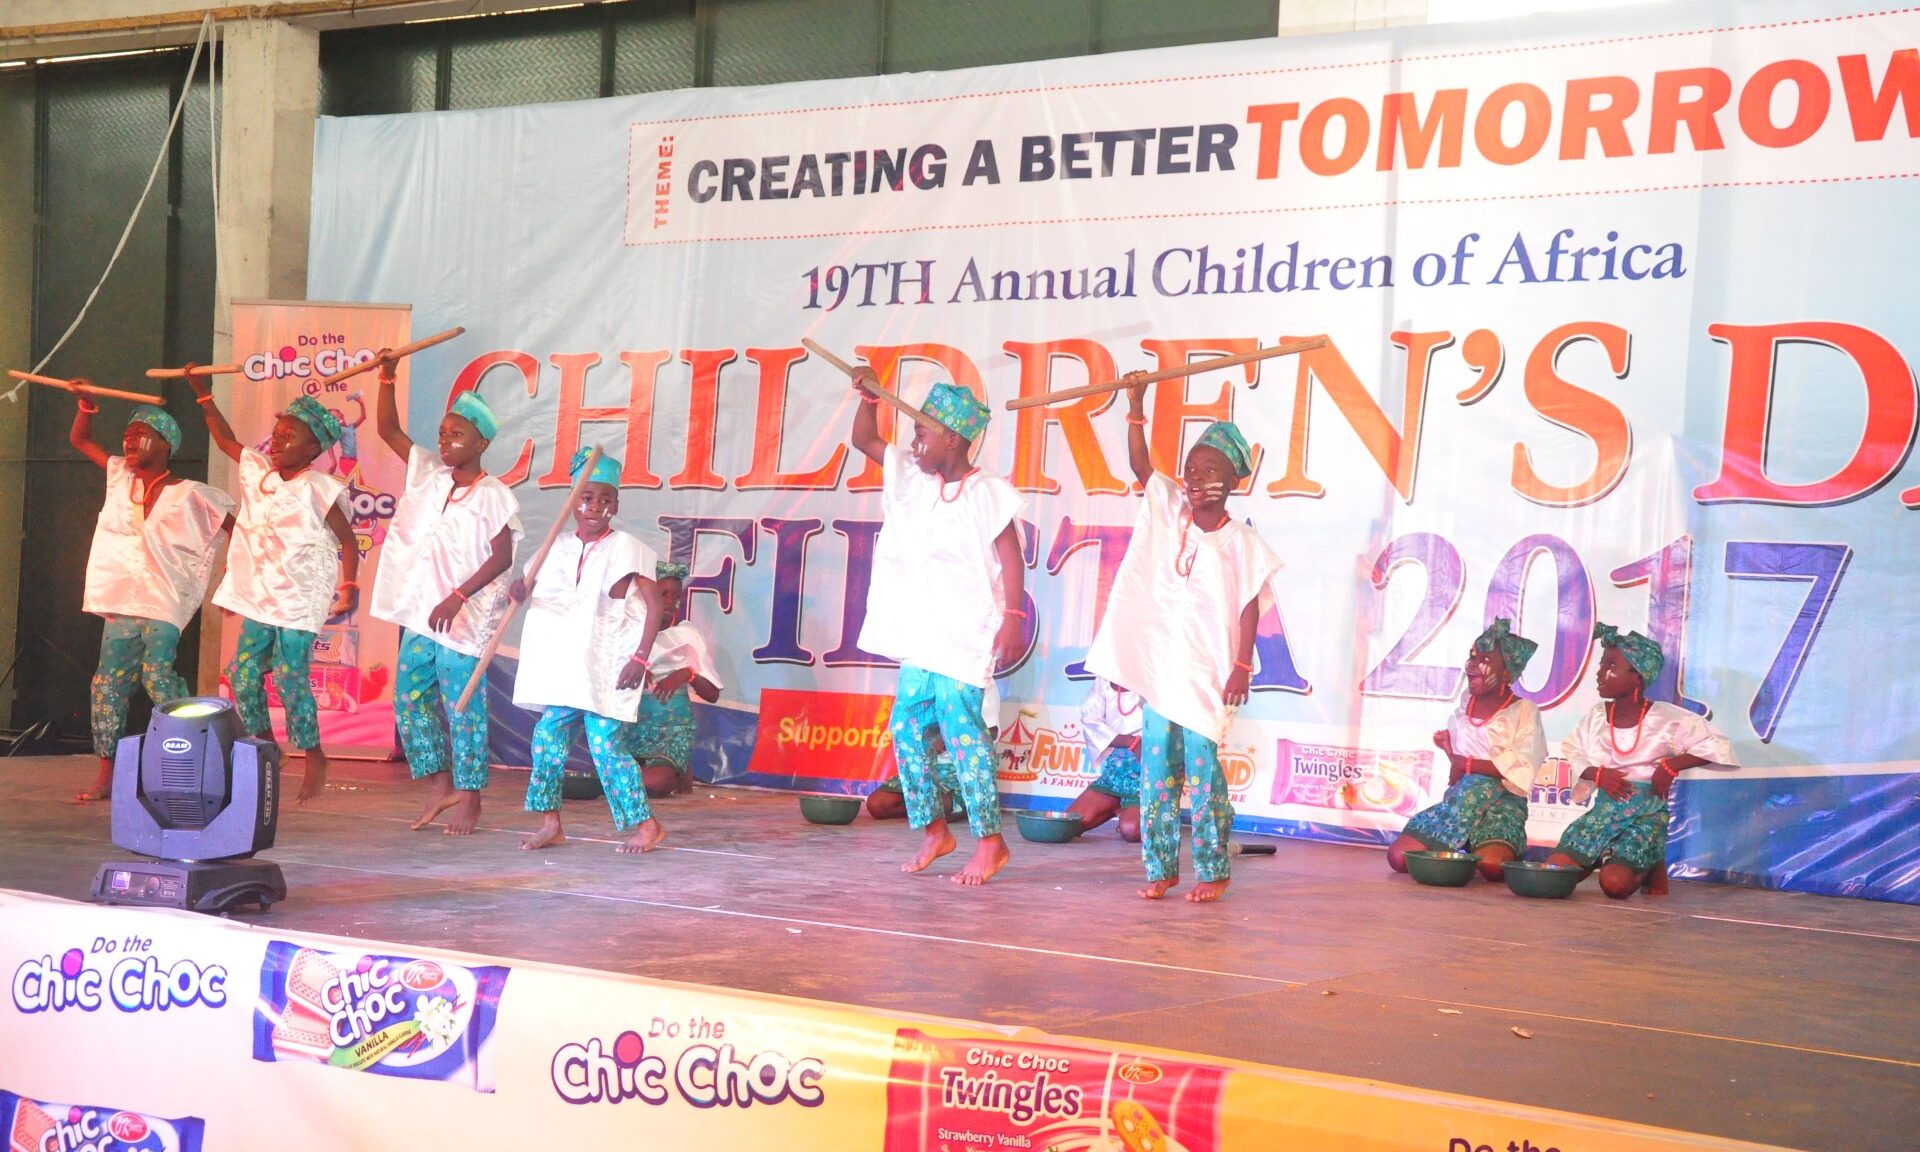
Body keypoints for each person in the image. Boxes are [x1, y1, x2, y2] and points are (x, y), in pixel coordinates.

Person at [1085, 374, 1281, 903]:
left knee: (1202, 773)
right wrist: (1135, 406)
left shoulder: (1244, 542)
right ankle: (1160, 867)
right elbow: (1140, 466)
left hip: (1208, 673)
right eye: (1191, 468)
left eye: (1209, 470)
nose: (1194, 478)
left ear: (1233, 481)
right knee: (1156, 773)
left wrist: (1241, 666)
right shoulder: (1170, 511)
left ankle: (1213, 868)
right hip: (1162, 670)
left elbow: (1247, 609)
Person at [845, 367, 1024, 885]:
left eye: (923, 430)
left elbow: (1011, 559)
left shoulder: (986, 491)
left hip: (966, 638)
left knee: (963, 735)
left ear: (953, 437)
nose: (914, 438)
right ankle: (934, 830)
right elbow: (864, 438)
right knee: (905, 729)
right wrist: (867, 395)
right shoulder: (909, 473)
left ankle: (991, 842)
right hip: (921, 638)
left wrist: (1012, 618)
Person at [367, 357, 522, 836]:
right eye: (442, 433)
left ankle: (471, 796)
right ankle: (441, 783)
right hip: (421, 612)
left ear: (481, 443)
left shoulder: (493, 493)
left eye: (456, 435)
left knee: (462, 706)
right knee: (409, 700)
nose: (445, 441)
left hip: (465, 619)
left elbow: (502, 557)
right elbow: (387, 428)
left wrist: (458, 595)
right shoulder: (429, 476)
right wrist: (387, 375)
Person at [194, 380, 358, 804]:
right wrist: (204, 394)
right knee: (242, 675)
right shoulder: (258, 473)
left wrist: (349, 585)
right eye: (278, 434)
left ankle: (315, 754)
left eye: (290, 437)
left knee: (288, 675)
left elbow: (348, 541)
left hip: (300, 598)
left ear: (311, 449)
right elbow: (225, 439)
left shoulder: (320, 487)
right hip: (260, 594)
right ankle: (270, 747)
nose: (278, 441)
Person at [68, 396, 235, 803]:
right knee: (107, 685)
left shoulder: (194, 493)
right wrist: (86, 406)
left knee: (157, 677)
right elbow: (80, 439)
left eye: (140, 434)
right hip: (122, 599)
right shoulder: (119, 477)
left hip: (164, 600)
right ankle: (106, 772)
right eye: (127, 435)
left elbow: (240, 529)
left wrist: (233, 576)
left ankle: (202, 754)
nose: (130, 441)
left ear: (165, 445)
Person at [516, 448, 667, 854]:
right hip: (567, 671)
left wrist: (640, 658)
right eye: (586, 497)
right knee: (546, 739)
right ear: (573, 501)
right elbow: (526, 587)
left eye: (604, 499)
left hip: (609, 668)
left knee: (605, 748)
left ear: (615, 504)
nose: (595, 506)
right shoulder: (555, 546)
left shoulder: (628, 548)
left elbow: (655, 606)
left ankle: (647, 825)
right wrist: (519, 588)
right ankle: (552, 824)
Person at [1546, 624, 1734, 898]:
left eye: (1611, 665)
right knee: (1553, 874)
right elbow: (1573, 749)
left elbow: (1717, 745)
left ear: (1638, 676)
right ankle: (1602, 853)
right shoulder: (1597, 716)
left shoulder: (1666, 718)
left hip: (1645, 815)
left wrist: (1671, 766)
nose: (1600, 673)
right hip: (1604, 813)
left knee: (1614, 885)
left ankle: (1647, 863)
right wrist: (1595, 774)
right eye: (1601, 665)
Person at [1387, 619, 1547, 881]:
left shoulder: (1524, 711)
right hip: (1460, 803)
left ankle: (1483, 847)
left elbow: (1520, 766)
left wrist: (1465, 763)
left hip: (1501, 803)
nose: (1473, 664)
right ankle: (1463, 847)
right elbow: (1459, 767)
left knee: (1493, 866)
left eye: (1484, 659)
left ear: (1507, 673)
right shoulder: (1465, 704)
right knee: (1398, 857)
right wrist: (1452, 755)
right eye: (1472, 656)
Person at [627, 561, 723, 799]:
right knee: (618, 780)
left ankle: (671, 772)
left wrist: (685, 673)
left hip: (672, 729)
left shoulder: (686, 633)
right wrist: (633, 668)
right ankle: (668, 774)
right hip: (632, 724)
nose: (670, 601)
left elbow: (712, 694)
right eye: (663, 594)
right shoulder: (629, 631)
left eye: (675, 596)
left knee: (652, 785)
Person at [865, 677, 1000, 821]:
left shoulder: (981, 680)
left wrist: (949, 738)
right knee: (876, 805)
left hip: (964, 768)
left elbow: (991, 732)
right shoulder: (929, 676)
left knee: (940, 808)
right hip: (929, 765)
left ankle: (955, 806)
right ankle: (926, 811)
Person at [1063, 678, 1145, 841]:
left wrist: (1145, 743)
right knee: (1067, 825)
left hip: (1148, 774)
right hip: (1115, 772)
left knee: (1131, 830)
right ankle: (1116, 804)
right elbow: (1090, 718)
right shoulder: (1105, 677)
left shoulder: (1157, 672)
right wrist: (1131, 742)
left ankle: (1136, 812)